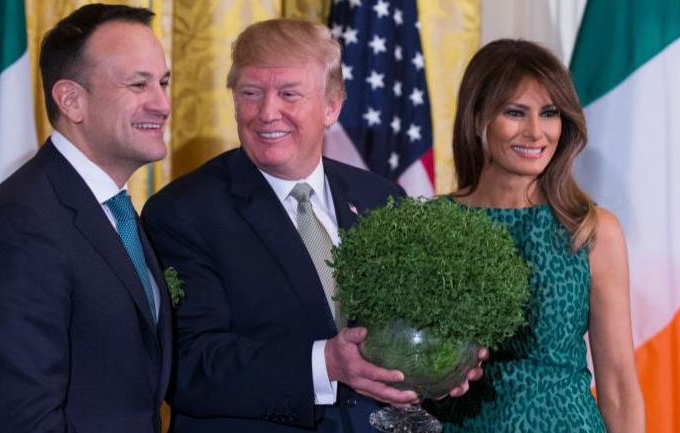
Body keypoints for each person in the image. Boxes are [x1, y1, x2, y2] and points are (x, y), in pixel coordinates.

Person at [142, 19, 484, 433]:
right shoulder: (182, 212)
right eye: (250, 93)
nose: (267, 112)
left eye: (289, 93)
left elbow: (406, 330)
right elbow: (187, 365)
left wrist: (442, 366)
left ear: (331, 106)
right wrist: (325, 363)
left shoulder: (382, 199)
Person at [0, 4, 173, 433]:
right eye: (138, 84)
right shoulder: (20, 226)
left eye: (164, 82)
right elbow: (21, 422)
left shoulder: (115, 210)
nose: (162, 104)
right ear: (71, 99)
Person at [429, 39, 645, 433]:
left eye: (549, 114)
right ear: (479, 118)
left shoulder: (592, 229)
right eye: (515, 112)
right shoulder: (436, 223)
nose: (535, 132)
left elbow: (618, 388)